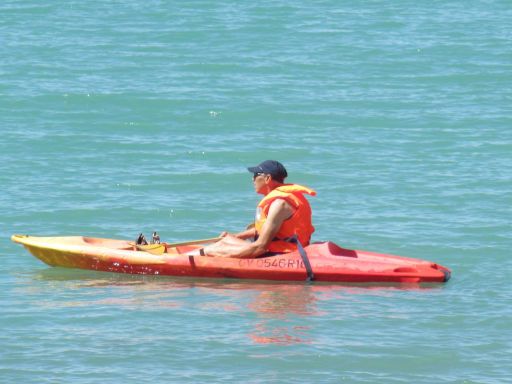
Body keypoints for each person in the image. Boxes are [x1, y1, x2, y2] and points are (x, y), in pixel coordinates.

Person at [195, 160, 316, 258]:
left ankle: (183, 260)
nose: (252, 179)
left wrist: (215, 253)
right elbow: (266, 229)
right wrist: (236, 237)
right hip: (282, 248)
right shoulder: (280, 200)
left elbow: (260, 247)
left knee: (215, 248)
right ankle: (190, 256)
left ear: (267, 178)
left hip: (285, 253)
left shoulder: (280, 204)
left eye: (255, 175)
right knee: (225, 241)